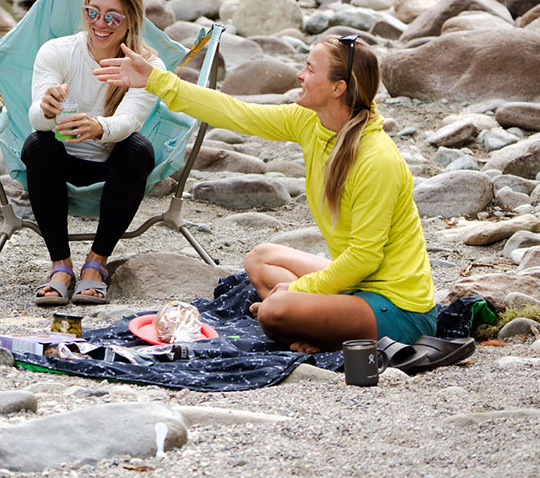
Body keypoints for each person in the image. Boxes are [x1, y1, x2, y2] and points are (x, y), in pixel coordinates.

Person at [95, 34, 436, 351]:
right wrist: (156, 80)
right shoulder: (311, 123)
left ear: (338, 88)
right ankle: (315, 321)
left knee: (274, 311)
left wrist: (299, 290)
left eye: (309, 69)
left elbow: (364, 258)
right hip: (357, 286)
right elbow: (236, 113)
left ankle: (309, 323)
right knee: (260, 258)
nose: (299, 75)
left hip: (399, 309)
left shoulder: (377, 160)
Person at [26, 0, 165, 307]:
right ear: (84, 10)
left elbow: (129, 121)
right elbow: (36, 119)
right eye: (93, 12)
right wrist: (46, 109)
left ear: (131, 19)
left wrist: (98, 127)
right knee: (36, 145)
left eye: (113, 16)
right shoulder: (57, 52)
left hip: (112, 165)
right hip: (64, 160)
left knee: (139, 149)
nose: (100, 23)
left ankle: (95, 264)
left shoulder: (146, 65)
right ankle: (60, 266)